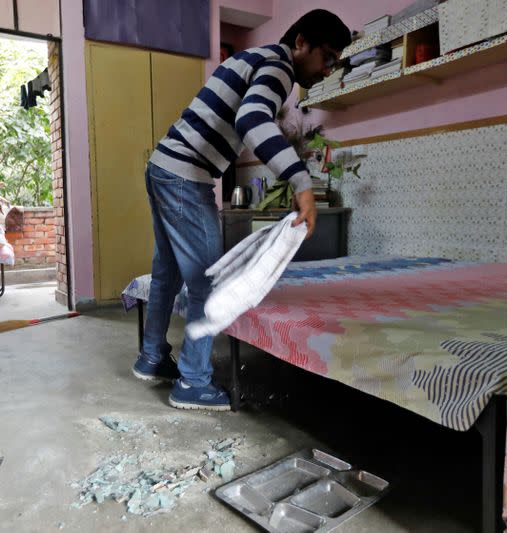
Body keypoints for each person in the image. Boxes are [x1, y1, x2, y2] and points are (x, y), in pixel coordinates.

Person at [133, 9, 351, 410]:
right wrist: (302, 183)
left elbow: (244, 118)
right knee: (209, 281)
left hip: (164, 166)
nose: (327, 70)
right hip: (185, 175)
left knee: (166, 271)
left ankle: (151, 358)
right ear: (301, 42)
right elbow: (252, 120)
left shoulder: (255, 58)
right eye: (328, 58)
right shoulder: (278, 66)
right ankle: (192, 382)